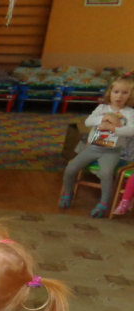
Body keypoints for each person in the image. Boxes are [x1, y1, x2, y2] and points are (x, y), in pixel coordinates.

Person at [58, 73, 134, 218]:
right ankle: (67, 193)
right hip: (92, 149)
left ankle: (103, 203)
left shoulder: (129, 113)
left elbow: (131, 131)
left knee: (106, 174)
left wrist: (114, 129)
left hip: (112, 152)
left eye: (124, 93)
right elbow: (88, 122)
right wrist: (103, 118)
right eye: (116, 92)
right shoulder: (102, 108)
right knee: (70, 168)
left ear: (130, 95)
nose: (119, 96)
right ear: (110, 93)